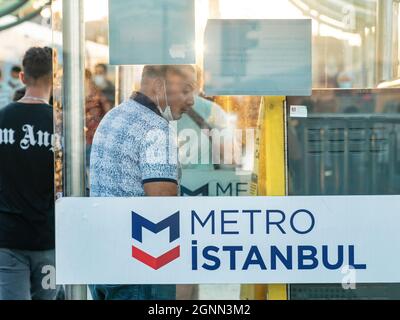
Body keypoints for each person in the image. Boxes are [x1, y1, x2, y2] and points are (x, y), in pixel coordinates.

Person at [89, 65, 196, 300]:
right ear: (159, 86)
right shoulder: (156, 130)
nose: (192, 101)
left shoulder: (113, 116)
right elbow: (162, 207)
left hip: (103, 260)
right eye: (186, 90)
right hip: (141, 266)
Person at [0, 47, 57, 300]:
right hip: (48, 237)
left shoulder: (2, 118)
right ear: (54, 79)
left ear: (22, 78)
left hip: (8, 236)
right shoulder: (59, 123)